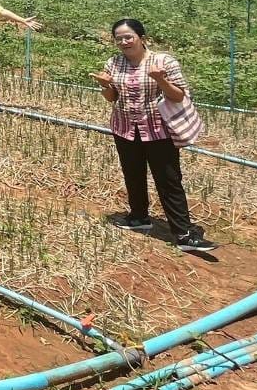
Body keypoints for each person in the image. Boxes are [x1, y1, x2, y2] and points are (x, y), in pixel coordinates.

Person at [90, 18, 216, 254]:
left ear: (142, 38)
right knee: (133, 173)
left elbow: (178, 96)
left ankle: (183, 233)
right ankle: (138, 217)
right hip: (125, 128)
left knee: (168, 180)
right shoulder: (114, 63)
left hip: (158, 130)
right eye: (119, 39)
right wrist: (105, 85)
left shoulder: (163, 61)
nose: (124, 42)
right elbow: (112, 98)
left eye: (129, 37)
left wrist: (160, 79)